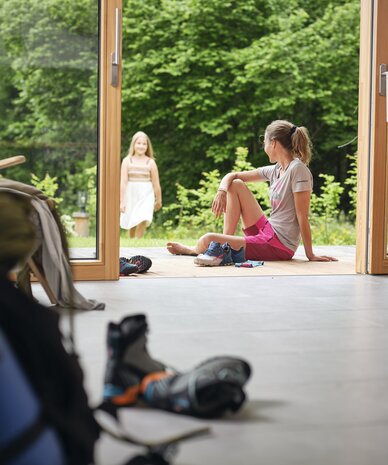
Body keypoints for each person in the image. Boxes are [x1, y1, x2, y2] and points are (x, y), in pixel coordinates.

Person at [167, 119, 337, 264]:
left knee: (207, 239)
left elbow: (302, 216)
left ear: (274, 143)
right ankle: (224, 246)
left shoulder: (298, 170)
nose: (264, 147)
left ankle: (214, 247)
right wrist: (222, 190)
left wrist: (310, 254)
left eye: (264, 142)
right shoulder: (277, 169)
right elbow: (233, 176)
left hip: (279, 244)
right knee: (236, 184)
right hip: (268, 231)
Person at [120, 131, 162, 238]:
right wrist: (122, 201)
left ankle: (137, 241)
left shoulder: (151, 162)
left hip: (146, 193)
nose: (141, 146)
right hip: (131, 193)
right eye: (138, 143)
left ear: (147, 146)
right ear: (133, 145)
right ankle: (131, 241)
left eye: (144, 144)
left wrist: (159, 200)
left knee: (143, 217)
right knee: (132, 220)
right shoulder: (127, 161)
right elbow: (123, 182)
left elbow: (156, 183)